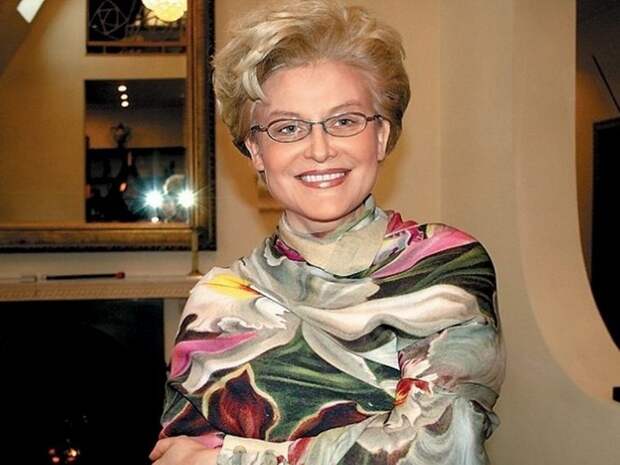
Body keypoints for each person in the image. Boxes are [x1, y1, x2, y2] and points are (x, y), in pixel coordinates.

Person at [149, 1, 506, 464]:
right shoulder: (215, 305)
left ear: (381, 135)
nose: (319, 149)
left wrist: (228, 459)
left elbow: (442, 447)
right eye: (288, 128)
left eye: (344, 121)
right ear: (256, 150)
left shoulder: (444, 265)